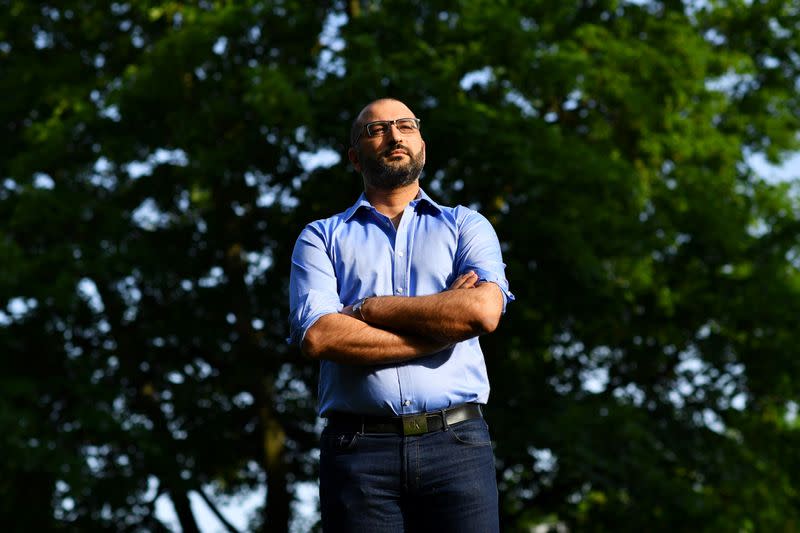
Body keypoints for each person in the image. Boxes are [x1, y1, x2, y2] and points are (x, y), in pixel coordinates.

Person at [288, 98, 514, 532]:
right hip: (358, 452)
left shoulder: (466, 226)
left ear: (422, 145)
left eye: (406, 126)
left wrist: (371, 309)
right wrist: (441, 329)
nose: (394, 136)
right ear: (355, 157)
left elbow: (483, 312)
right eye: (377, 130)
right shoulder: (320, 238)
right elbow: (320, 337)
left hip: (457, 447)